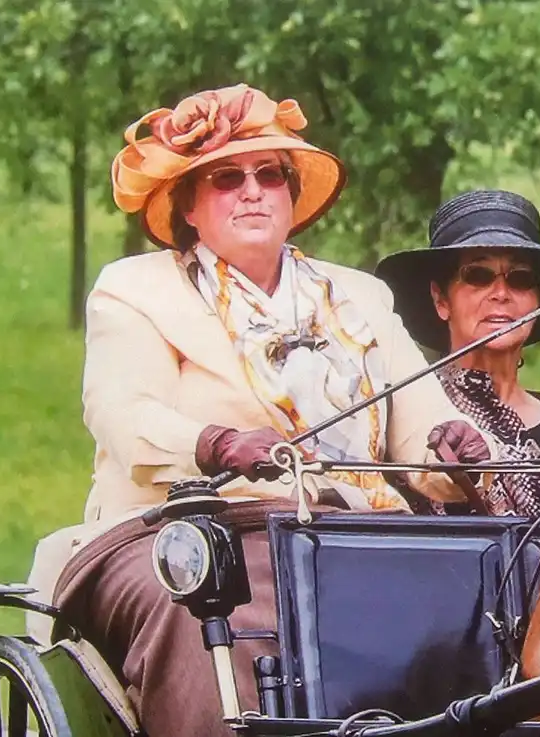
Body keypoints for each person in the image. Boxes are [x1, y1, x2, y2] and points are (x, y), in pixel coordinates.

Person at [24, 84, 495, 737]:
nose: (253, 191)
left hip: (352, 537)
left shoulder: (358, 296)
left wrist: (458, 444)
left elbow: (422, 425)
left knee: (477, 606)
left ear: (289, 194)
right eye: (226, 177)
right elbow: (122, 413)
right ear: (186, 203)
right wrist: (216, 442)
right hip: (181, 534)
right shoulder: (134, 290)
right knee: (215, 614)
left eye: (269, 174)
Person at [376, 189, 540, 517]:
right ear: (441, 299)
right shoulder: (413, 421)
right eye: (478, 276)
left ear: (538, 302)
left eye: (521, 279)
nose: (501, 294)